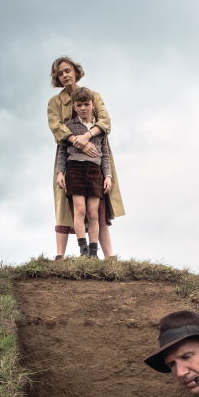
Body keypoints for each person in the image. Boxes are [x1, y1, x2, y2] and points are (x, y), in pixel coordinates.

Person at [47, 56, 125, 259]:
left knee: (97, 208)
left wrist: (87, 136)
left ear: (75, 71)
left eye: (67, 70)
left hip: (96, 152)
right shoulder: (55, 102)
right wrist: (75, 140)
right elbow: (56, 126)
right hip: (69, 155)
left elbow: (105, 121)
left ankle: (107, 256)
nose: (64, 75)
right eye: (60, 73)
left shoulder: (94, 96)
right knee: (67, 205)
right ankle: (60, 256)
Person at [55, 88, 112, 257]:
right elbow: (62, 151)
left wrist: (108, 175)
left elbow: (106, 154)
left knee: (93, 212)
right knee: (79, 210)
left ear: (92, 105)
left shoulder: (99, 128)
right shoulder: (69, 126)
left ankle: (94, 251)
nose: (83, 108)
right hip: (74, 169)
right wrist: (60, 172)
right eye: (79, 105)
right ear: (74, 106)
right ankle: (83, 249)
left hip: (95, 171)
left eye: (86, 104)